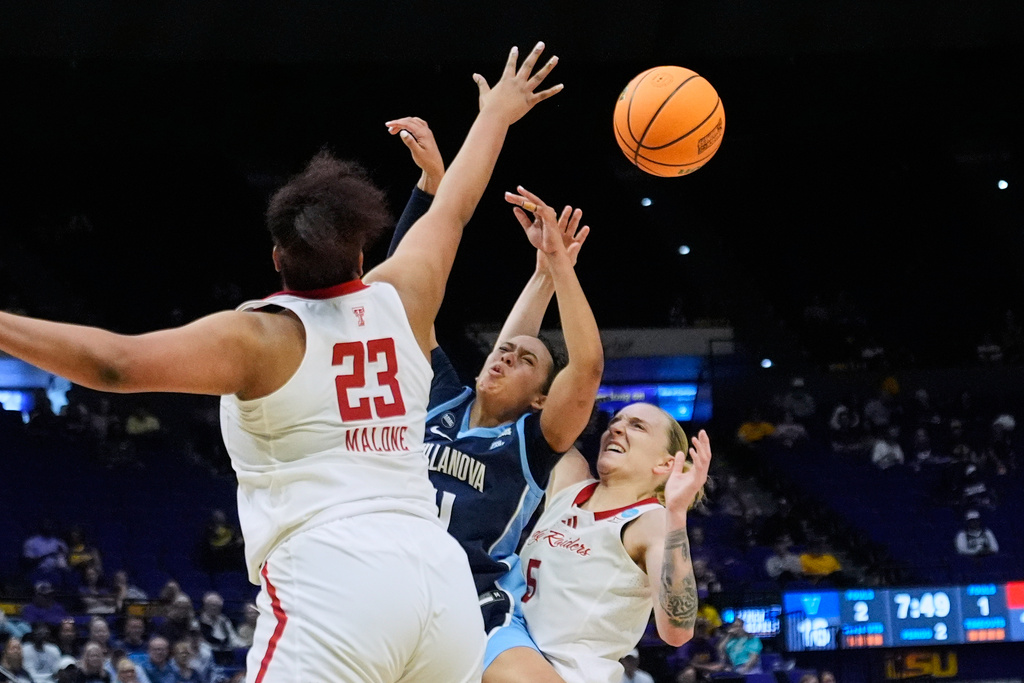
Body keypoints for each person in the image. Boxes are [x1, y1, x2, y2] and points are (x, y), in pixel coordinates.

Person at [0, 41, 561, 683]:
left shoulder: (260, 339)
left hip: (338, 578)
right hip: (442, 584)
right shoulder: (404, 297)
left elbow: (116, 367)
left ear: (276, 259)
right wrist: (496, 114)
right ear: (358, 255)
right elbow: (455, 205)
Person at [383, 116, 602, 678]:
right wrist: (431, 186)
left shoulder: (533, 443)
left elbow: (588, 367)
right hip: (385, 588)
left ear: (539, 400)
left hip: (470, 603)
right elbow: (403, 292)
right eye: (502, 352)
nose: (503, 356)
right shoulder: (441, 397)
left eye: (524, 360)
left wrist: (559, 270)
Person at [491, 403, 710, 683]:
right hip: (510, 648)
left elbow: (677, 631)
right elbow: (542, 415)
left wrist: (677, 515)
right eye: (615, 422)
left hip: (568, 674)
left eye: (637, 426)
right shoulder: (571, 481)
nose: (615, 428)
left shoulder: (651, 521)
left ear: (666, 464)